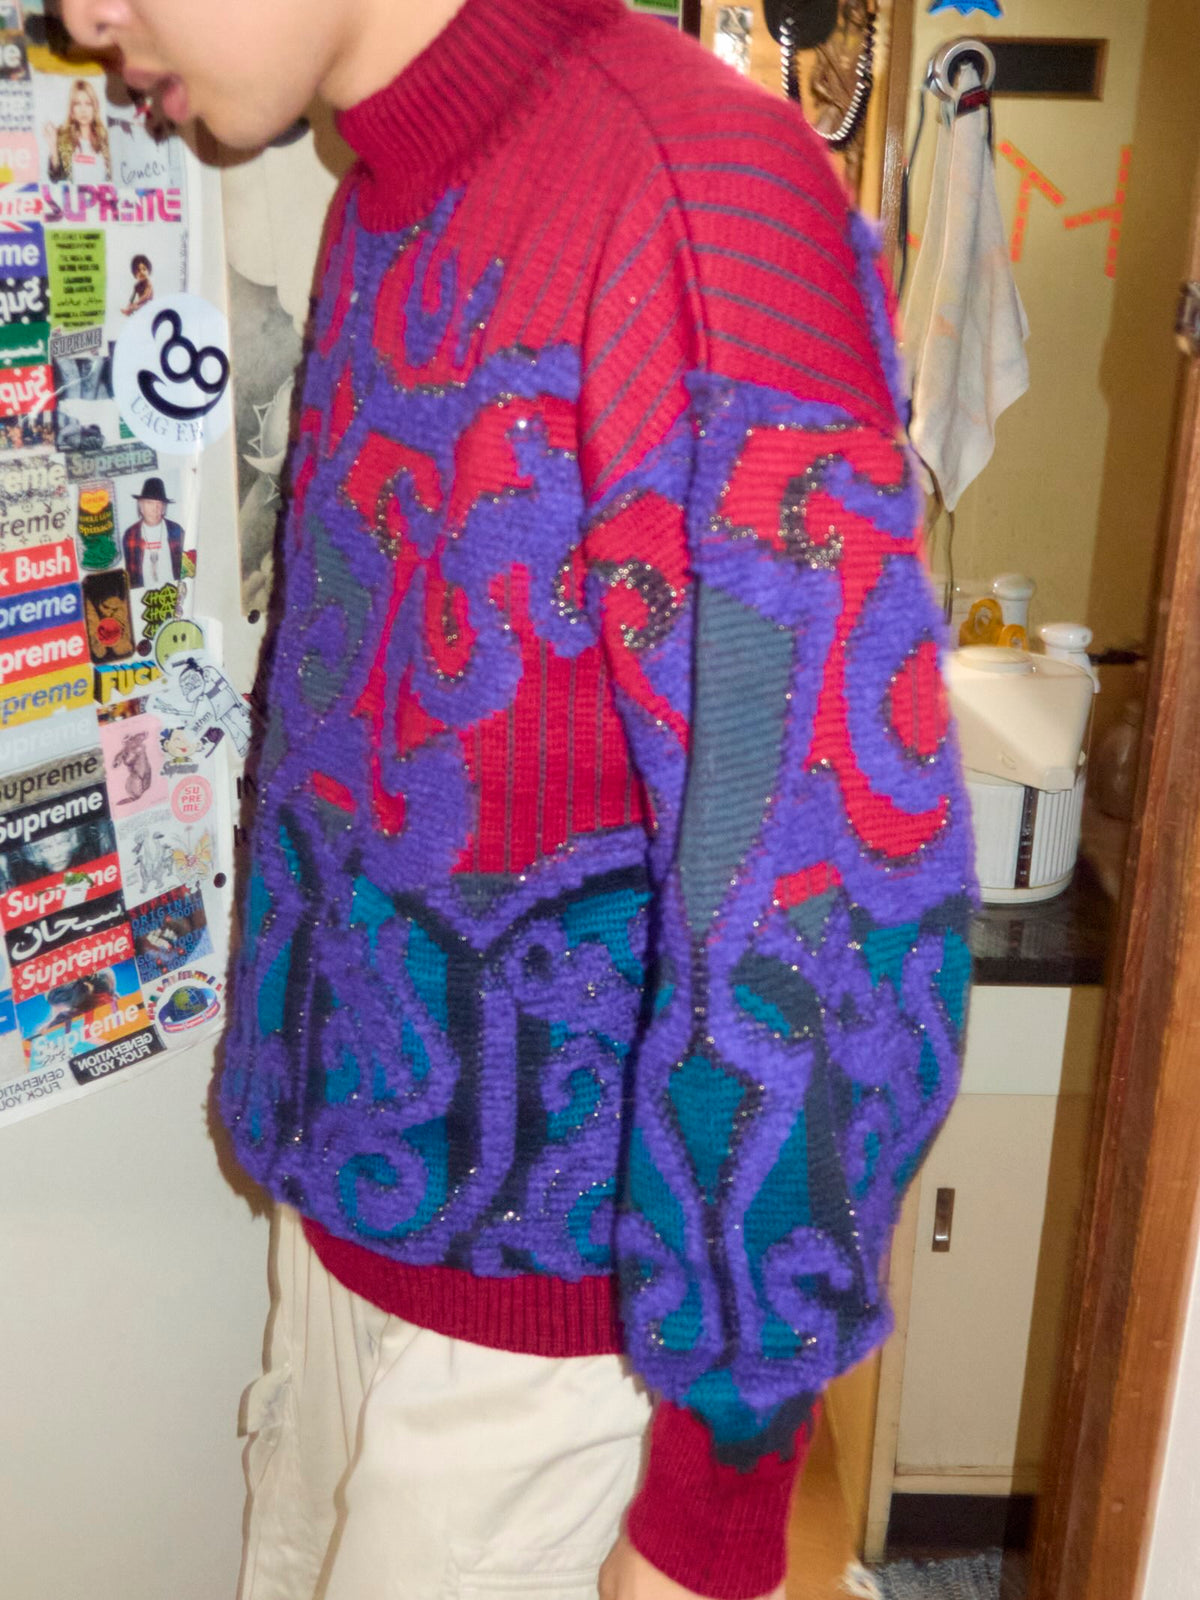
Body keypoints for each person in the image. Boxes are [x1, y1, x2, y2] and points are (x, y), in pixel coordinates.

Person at [62, 4, 977, 1600]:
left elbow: (827, 886)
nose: (82, 16)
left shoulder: (695, 194)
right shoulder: (382, 198)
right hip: (350, 1259)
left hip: (562, 1361)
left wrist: (713, 1504)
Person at [44, 76, 111, 182]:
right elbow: (55, 179)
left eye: (88, 104)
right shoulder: (63, 139)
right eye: (77, 104)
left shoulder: (107, 139)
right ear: (72, 110)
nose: (83, 110)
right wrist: (53, 148)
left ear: (95, 108)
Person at [121, 474, 183, 587]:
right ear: (141, 506)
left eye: (159, 503)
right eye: (149, 503)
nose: (155, 509)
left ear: (164, 508)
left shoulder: (176, 531)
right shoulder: (130, 535)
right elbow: (130, 576)